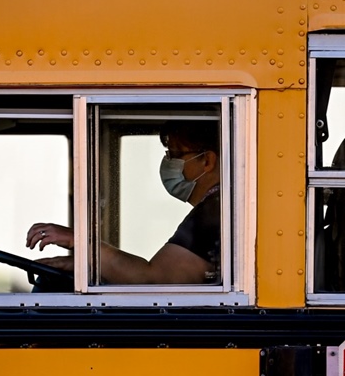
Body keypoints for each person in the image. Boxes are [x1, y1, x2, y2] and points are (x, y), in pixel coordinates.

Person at [26, 120, 220, 285]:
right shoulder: (218, 207)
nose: (167, 162)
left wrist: (77, 241)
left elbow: (153, 280)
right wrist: (92, 265)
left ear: (207, 161)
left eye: (174, 155)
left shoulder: (215, 212)